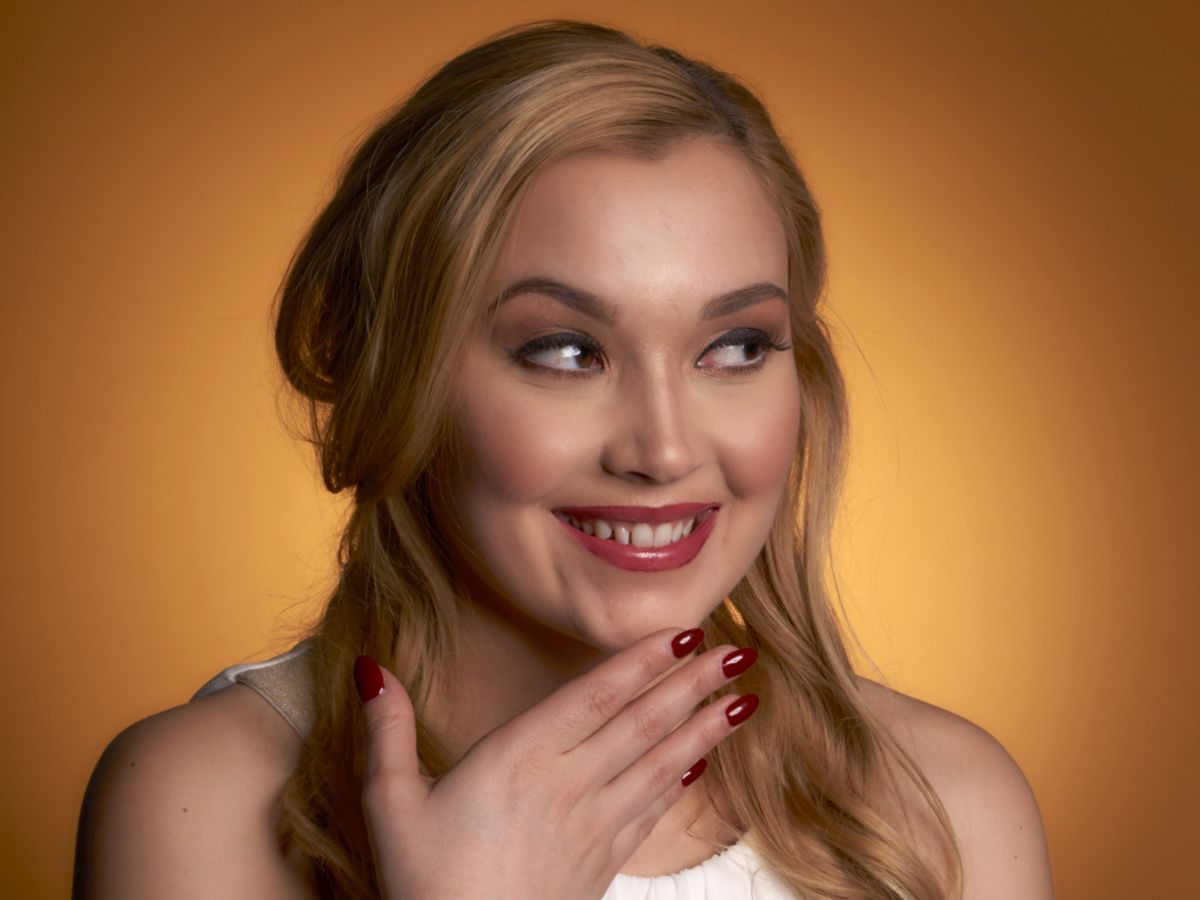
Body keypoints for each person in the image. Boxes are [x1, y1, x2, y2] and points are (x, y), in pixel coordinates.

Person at [73, 20, 1053, 900]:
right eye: (567, 352)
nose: (664, 450)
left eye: (735, 347)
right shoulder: (202, 806)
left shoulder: (945, 807)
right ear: (398, 375)